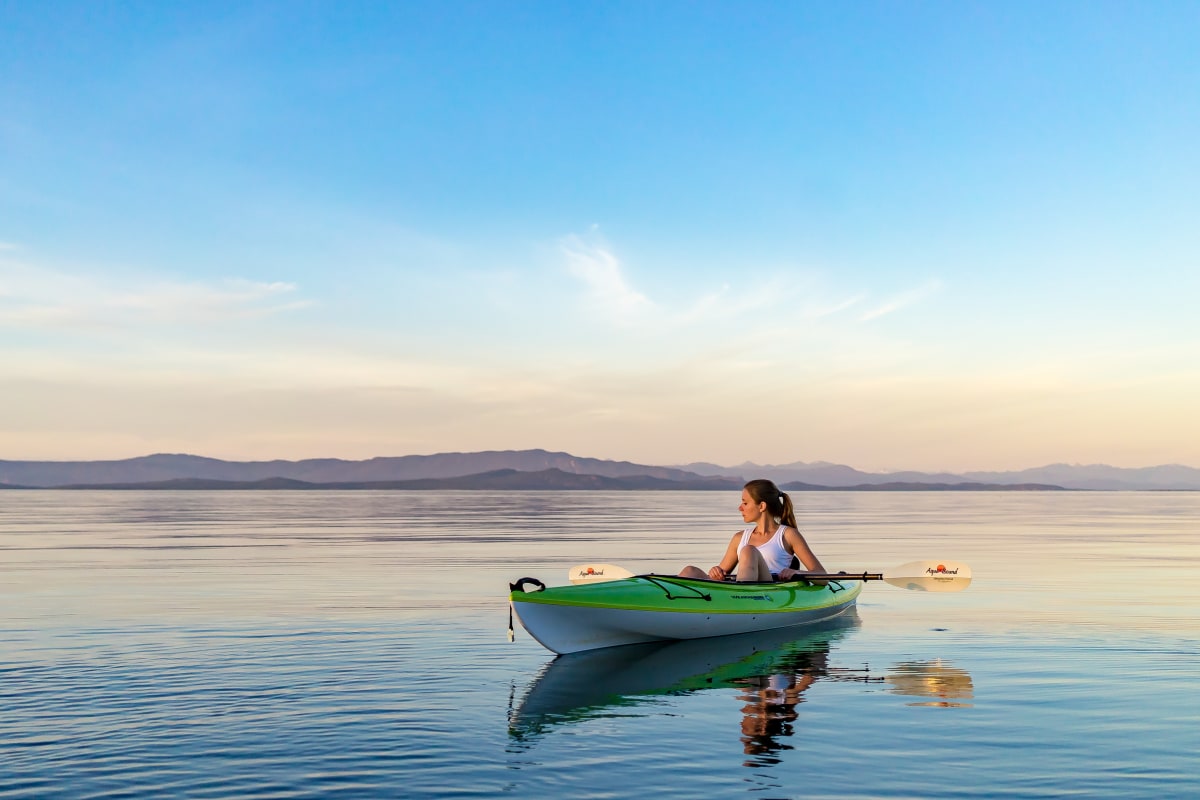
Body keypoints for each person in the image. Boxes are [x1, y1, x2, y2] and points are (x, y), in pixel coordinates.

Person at [679, 479, 825, 582]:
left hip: (769, 592)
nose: (740, 508)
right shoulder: (738, 538)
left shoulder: (788, 535)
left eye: (745, 503)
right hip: (739, 589)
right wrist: (716, 572)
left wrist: (796, 572)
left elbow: (821, 575)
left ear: (761, 506)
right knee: (689, 571)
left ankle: (743, 600)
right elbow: (720, 574)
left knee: (749, 550)